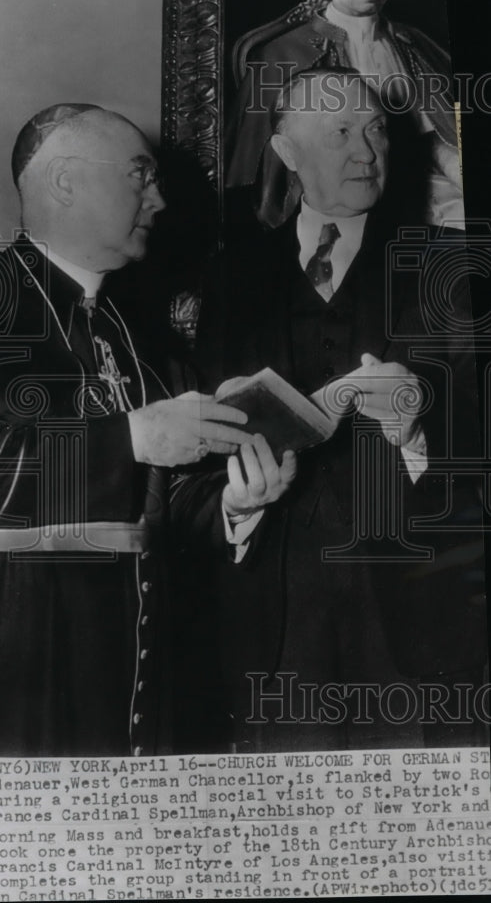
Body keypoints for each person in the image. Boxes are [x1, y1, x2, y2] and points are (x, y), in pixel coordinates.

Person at [0, 102, 296, 757]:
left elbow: (162, 505)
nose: (160, 198)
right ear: (65, 181)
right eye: (140, 176)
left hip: (145, 658)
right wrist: (132, 439)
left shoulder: (141, 332)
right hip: (16, 649)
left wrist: (233, 500)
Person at [195, 70, 487, 752]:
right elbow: (202, 452)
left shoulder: (450, 269)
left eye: (375, 130)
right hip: (274, 621)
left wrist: (417, 430)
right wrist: (237, 503)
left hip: (418, 625)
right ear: (286, 151)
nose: (366, 151)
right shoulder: (232, 276)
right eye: (339, 133)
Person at [226, 0, 463, 229]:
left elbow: (434, 134)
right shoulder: (280, 55)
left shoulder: (415, 43)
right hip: (341, 199)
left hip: (428, 187)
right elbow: (259, 175)